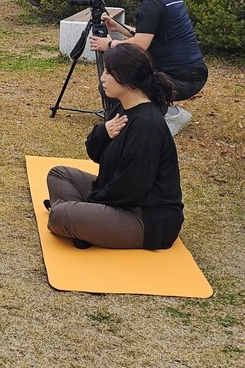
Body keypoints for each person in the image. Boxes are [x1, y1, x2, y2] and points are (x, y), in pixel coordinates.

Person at [45, 43, 183, 250]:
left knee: (60, 215)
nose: (103, 78)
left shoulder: (147, 125)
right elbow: (95, 153)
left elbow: (131, 186)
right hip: (114, 196)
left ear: (127, 78)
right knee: (59, 175)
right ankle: (85, 224)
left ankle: (80, 220)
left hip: (144, 217)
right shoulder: (123, 107)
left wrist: (91, 202)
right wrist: (103, 132)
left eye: (109, 73)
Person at [89, 0, 208, 135]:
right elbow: (149, 34)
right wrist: (119, 28)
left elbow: (140, 44)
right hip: (193, 74)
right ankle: (156, 112)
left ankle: (169, 114)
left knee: (112, 83)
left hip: (178, 79)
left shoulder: (151, 3)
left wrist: (110, 44)